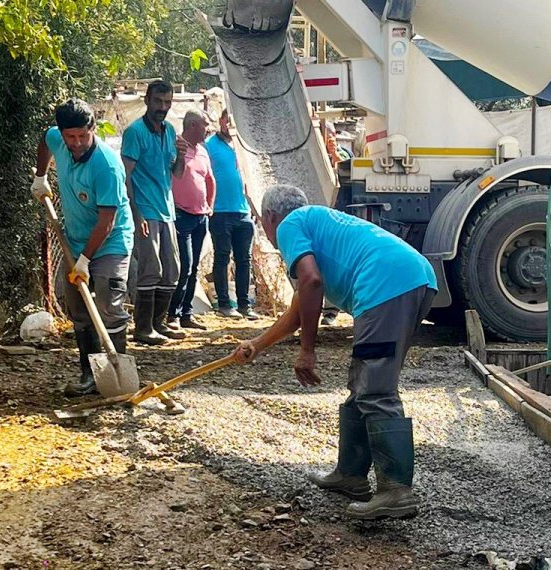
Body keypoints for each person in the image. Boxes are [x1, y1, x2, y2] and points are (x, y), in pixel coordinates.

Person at [232, 185, 438, 520]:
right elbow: (300, 307)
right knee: (365, 382)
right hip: (413, 279)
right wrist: (258, 344)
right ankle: (350, 474)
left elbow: (312, 281)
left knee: (376, 390)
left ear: (270, 216)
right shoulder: (317, 224)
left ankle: (396, 491)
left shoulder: (289, 225)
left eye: (262, 223)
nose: (266, 232)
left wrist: (307, 351)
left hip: (386, 285)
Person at [31, 98, 134, 396]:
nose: (76, 143)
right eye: (70, 137)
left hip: (111, 242)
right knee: (79, 309)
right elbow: (45, 140)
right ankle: (90, 374)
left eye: (82, 136)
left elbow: (107, 222)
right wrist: (40, 176)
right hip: (75, 241)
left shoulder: (106, 166)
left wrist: (86, 261)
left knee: (108, 304)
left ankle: (116, 373)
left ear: (93, 129)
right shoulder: (58, 139)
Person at [121, 80, 187, 344]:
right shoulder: (135, 132)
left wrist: (181, 156)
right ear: (147, 100)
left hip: (166, 208)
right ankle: (143, 328)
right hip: (145, 208)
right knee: (151, 268)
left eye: (167, 102)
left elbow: (177, 174)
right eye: (158, 101)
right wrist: (135, 214)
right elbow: (126, 176)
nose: (163, 107)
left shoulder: (170, 131)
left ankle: (158, 324)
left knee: (172, 269)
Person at [205, 109, 259, 320]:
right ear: (221, 121)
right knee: (222, 256)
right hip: (220, 211)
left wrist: (254, 206)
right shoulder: (209, 145)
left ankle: (244, 304)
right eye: (228, 121)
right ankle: (224, 304)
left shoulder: (242, 146)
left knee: (244, 259)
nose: (230, 125)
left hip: (243, 210)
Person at [168, 110, 215, 331]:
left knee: (194, 266)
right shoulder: (176, 147)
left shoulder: (203, 152)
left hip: (200, 217)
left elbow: (210, 179)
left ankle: (187, 313)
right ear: (193, 125)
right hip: (181, 215)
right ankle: (173, 314)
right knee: (184, 266)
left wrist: (210, 206)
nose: (208, 129)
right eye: (206, 125)